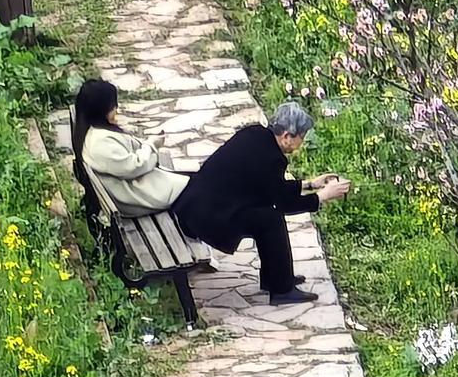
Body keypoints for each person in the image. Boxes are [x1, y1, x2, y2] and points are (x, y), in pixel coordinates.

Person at [173, 101, 350, 305]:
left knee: (266, 216)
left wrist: (310, 185)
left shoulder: (255, 135)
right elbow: (284, 203)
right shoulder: (272, 158)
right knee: (270, 219)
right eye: (302, 138)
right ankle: (281, 290)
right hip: (209, 219)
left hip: (196, 208)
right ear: (287, 136)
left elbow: (272, 188)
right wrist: (323, 196)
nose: (301, 144)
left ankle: (276, 279)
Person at [71, 76, 200, 235]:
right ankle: (195, 235)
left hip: (126, 188)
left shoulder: (91, 132)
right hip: (132, 197)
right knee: (195, 189)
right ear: (99, 110)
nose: (116, 110)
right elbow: (134, 166)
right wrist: (151, 145)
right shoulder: (100, 143)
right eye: (112, 107)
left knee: (194, 182)